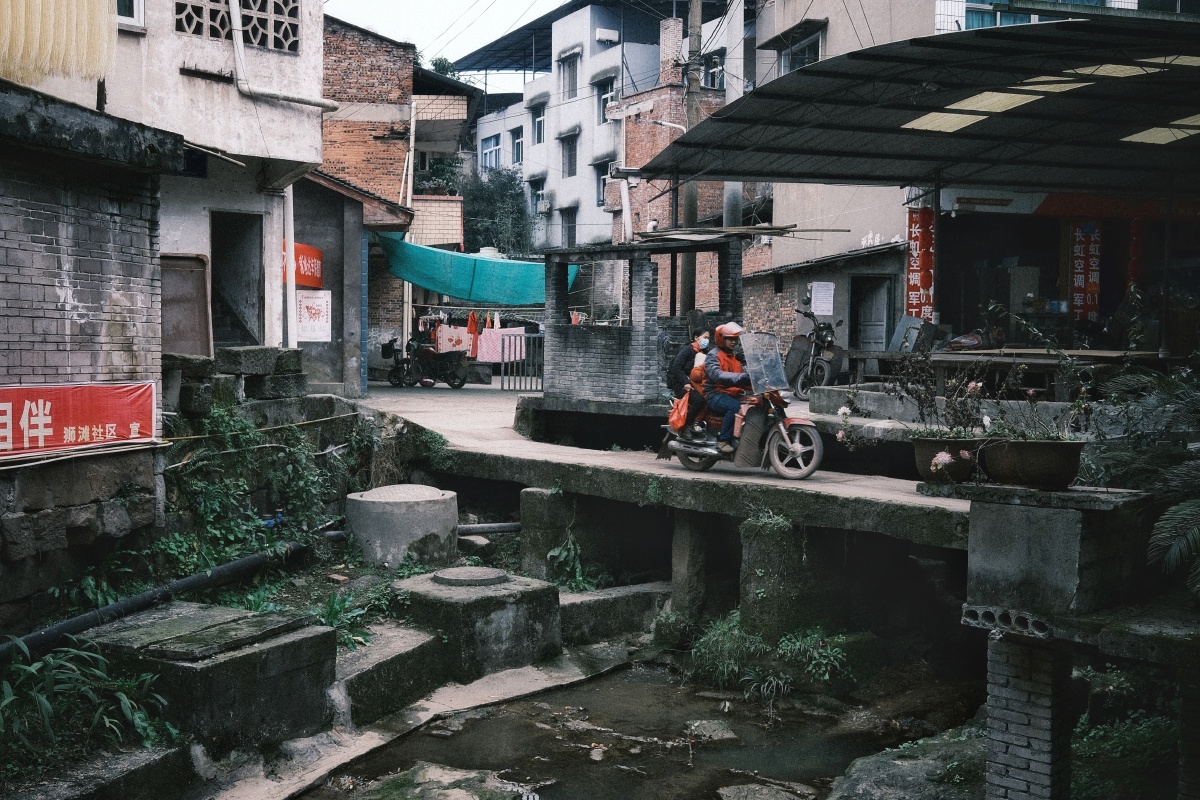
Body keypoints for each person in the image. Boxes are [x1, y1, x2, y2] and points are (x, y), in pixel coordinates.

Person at [705, 322, 752, 454]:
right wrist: (739, 377)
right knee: (734, 407)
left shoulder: (735, 356)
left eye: (735, 339)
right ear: (722, 339)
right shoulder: (713, 356)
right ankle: (723, 440)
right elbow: (716, 374)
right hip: (715, 394)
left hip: (732, 393)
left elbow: (741, 377)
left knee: (755, 403)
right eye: (730, 339)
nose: (733, 342)